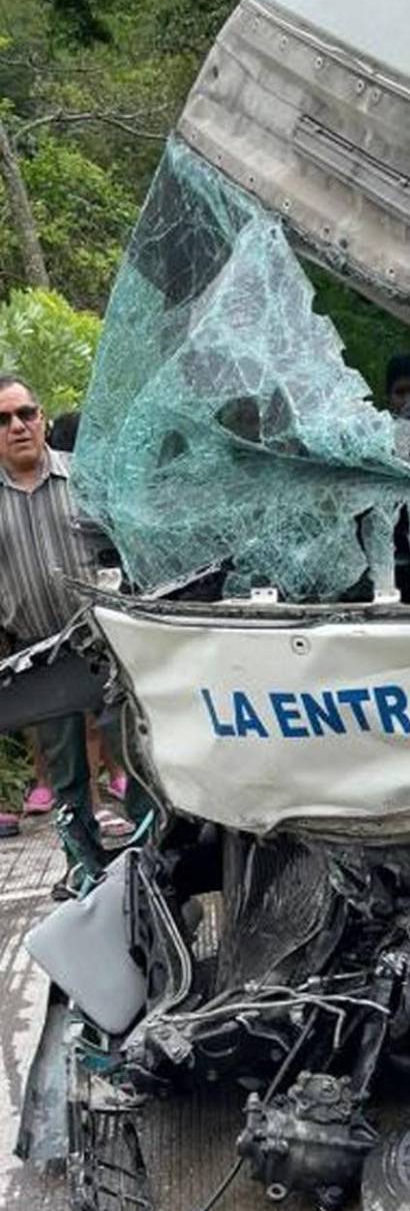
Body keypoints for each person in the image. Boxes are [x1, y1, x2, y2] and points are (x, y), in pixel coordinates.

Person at [0, 374, 136, 887]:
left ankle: (141, 867)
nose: (17, 426)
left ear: (43, 420)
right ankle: (82, 869)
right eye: (4, 419)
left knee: (133, 761)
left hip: (105, 646)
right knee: (66, 777)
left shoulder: (86, 480)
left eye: (26, 414)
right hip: (40, 655)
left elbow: (128, 549)